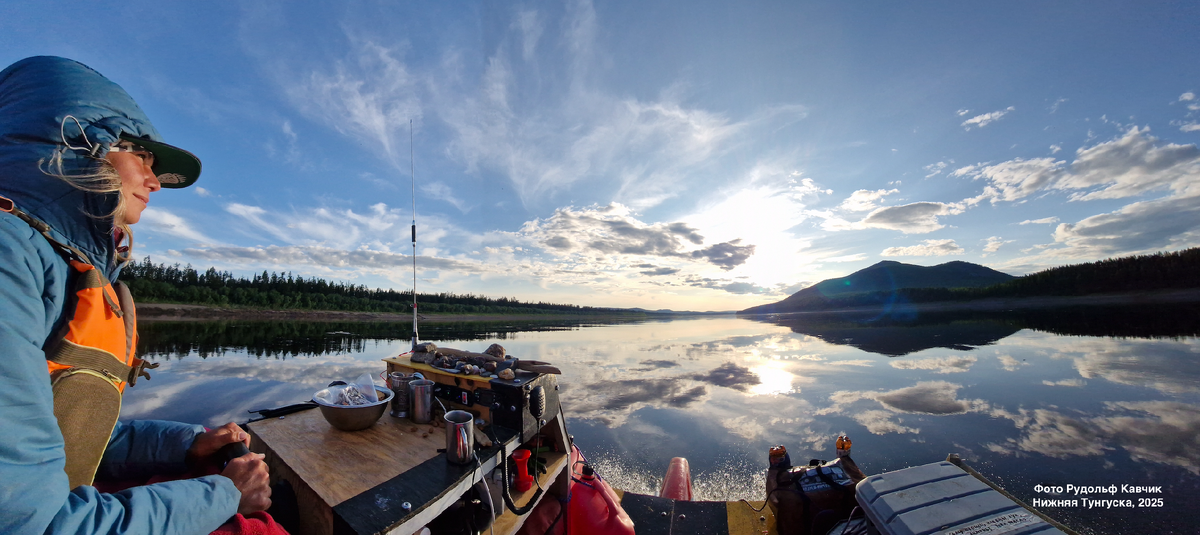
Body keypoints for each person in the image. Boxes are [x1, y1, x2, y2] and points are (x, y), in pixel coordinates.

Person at [0, 56, 274, 534]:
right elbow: (32, 525)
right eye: (140, 156)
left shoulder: (62, 265)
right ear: (77, 140)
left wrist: (188, 445)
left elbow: (73, 440)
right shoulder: (10, 261)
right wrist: (226, 493)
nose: (154, 182)